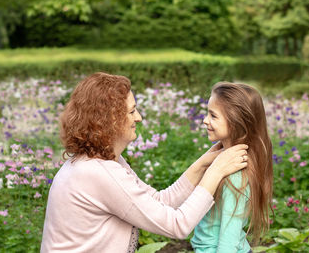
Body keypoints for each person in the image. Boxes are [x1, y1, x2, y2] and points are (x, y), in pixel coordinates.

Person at [40, 72, 248, 252]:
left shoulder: (104, 162)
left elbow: (160, 201)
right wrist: (216, 172)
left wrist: (203, 164)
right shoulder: (97, 173)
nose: (138, 117)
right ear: (108, 120)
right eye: (131, 111)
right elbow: (178, 225)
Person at [191, 82, 273, 253]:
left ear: (236, 122)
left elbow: (229, 241)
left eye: (213, 116)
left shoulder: (236, 175)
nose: (205, 120)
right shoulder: (221, 160)